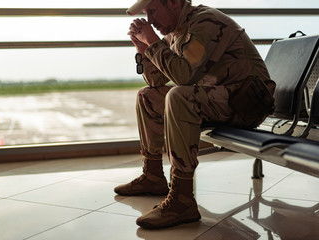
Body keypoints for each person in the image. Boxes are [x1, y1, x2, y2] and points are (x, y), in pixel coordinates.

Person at [114, 0, 276, 229]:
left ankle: (182, 200)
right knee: (147, 97)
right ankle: (152, 176)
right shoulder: (176, 31)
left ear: (172, 3)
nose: (149, 20)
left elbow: (184, 76)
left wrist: (152, 41)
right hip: (221, 99)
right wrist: (143, 50)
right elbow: (155, 82)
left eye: (151, 11)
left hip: (247, 103)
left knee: (179, 97)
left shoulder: (205, 22)